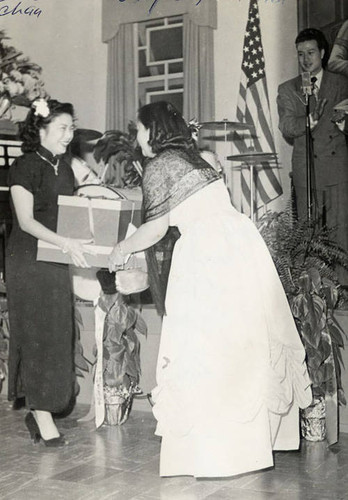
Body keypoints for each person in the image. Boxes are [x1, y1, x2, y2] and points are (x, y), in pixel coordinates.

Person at [108, 101, 312, 478]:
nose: (137, 138)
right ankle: (240, 451)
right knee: (233, 348)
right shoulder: (194, 159)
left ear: (154, 131)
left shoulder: (161, 164)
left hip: (207, 254)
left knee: (202, 347)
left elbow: (155, 229)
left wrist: (121, 248)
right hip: (238, 247)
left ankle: (211, 453)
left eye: (139, 130)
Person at [6, 98, 94, 447]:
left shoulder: (67, 168)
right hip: (28, 259)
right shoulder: (24, 166)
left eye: (72, 128)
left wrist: (85, 237)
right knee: (37, 332)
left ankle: (41, 408)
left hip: (56, 256)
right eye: (63, 128)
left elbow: (70, 216)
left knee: (59, 333)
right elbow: (26, 222)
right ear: (41, 129)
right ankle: (41, 414)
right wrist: (66, 243)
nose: (69, 135)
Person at [277, 28, 348, 283]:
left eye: (310, 53)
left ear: (322, 53)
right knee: (309, 234)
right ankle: (315, 292)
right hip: (306, 169)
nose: (305, 59)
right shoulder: (288, 89)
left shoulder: (341, 84)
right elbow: (286, 126)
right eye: (300, 54)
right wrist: (308, 120)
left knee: (341, 232)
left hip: (337, 167)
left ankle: (343, 291)